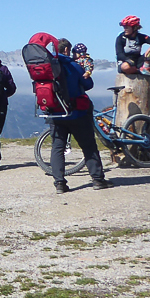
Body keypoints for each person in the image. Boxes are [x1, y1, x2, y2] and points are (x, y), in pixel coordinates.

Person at [49, 43, 110, 193]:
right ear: (66, 50)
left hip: (55, 112)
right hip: (77, 112)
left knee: (57, 148)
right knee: (88, 146)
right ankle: (97, 180)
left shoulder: (47, 67)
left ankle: (59, 184)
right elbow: (88, 84)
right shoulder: (73, 65)